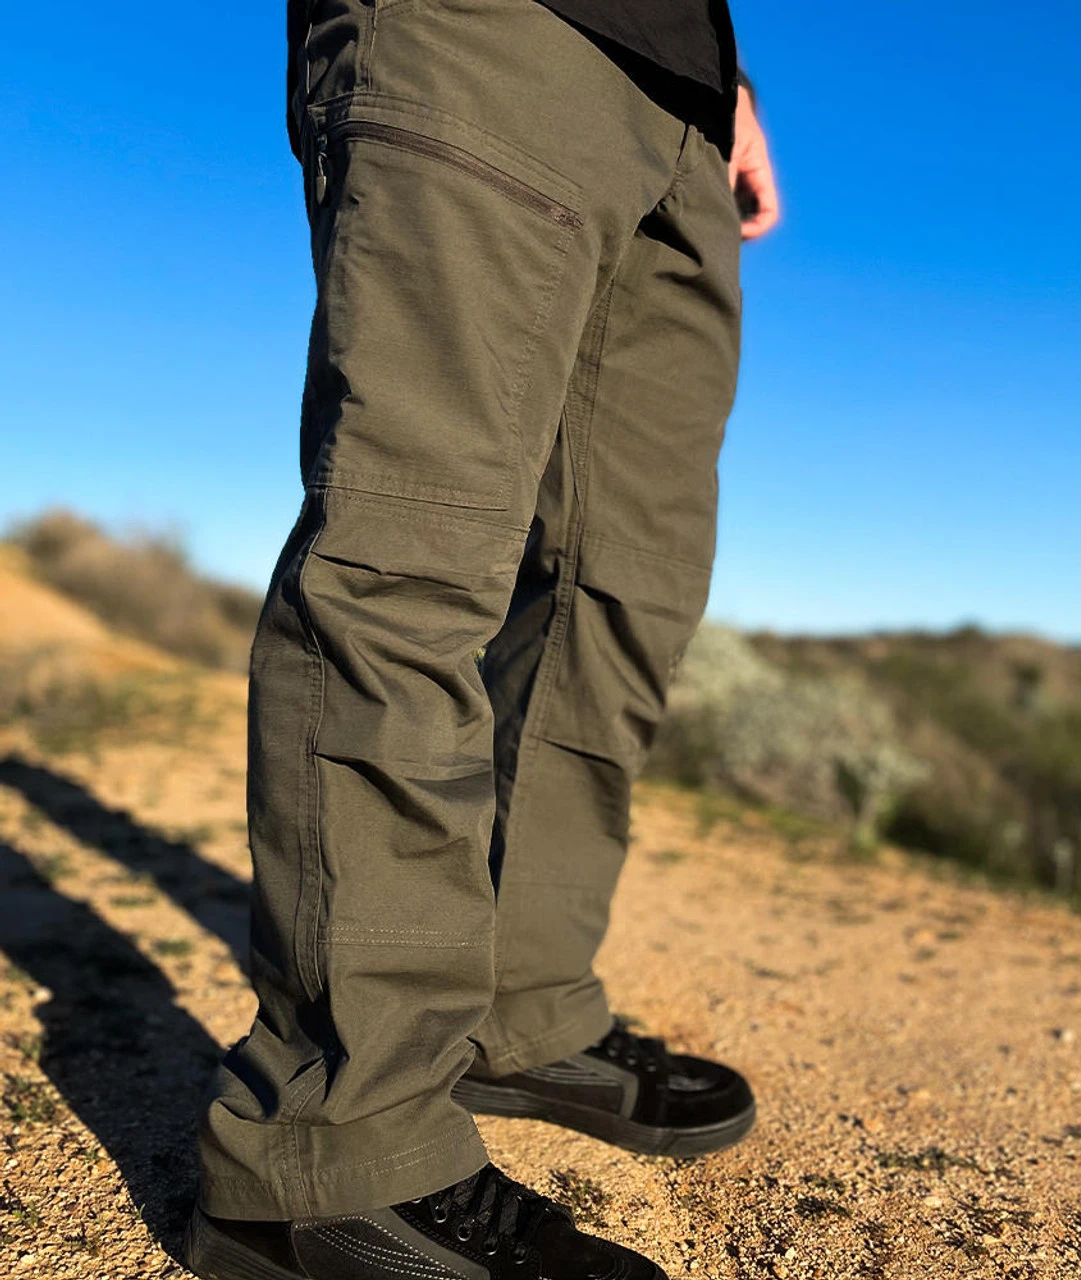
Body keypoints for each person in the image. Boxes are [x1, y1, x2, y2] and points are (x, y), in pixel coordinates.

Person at [187, 1, 779, 1277]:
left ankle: (519, 1010)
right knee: (414, 551)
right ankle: (331, 1153)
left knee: (615, 602)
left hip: (680, 97)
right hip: (490, 27)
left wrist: (727, 78)